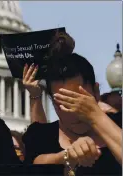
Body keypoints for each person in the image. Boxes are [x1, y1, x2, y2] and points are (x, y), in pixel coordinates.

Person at [22, 32, 122, 175]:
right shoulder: (41, 136)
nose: (72, 113)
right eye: (62, 103)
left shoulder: (118, 123)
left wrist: (96, 117)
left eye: (78, 100)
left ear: (96, 91)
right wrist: (65, 157)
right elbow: (34, 163)